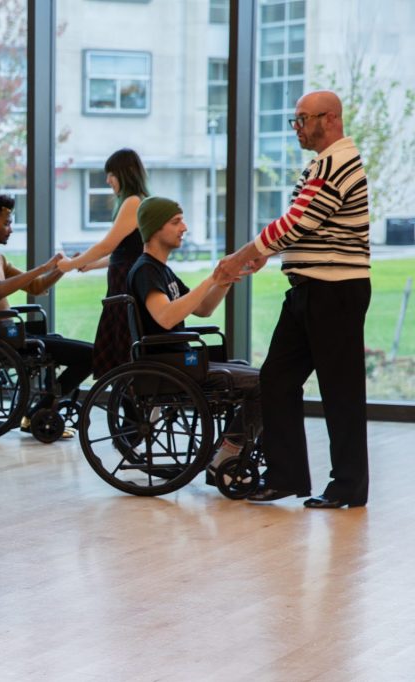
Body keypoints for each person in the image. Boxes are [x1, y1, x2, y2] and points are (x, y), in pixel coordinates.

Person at [217, 90, 370, 509]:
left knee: (340, 391)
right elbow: (303, 229)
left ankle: (348, 487)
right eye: (296, 120)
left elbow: (297, 222)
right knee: (277, 379)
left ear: (330, 118)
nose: (297, 127)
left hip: (334, 290)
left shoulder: (337, 161)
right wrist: (272, 255)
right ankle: (285, 475)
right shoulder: (323, 163)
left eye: (303, 119)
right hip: (310, 287)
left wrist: (243, 255)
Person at [127, 197, 262, 478]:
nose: (184, 227)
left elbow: (202, 308)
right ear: (153, 229)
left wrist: (223, 280)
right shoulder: (145, 270)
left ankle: (229, 452)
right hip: (172, 367)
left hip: (183, 362)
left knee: (264, 376)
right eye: (176, 222)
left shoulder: (162, 271)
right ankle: (227, 455)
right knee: (267, 382)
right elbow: (165, 316)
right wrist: (210, 280)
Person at [0, 192, 93, 431]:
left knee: (82, 352)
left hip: (11, 333)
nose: (10, 229)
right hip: (0, 336)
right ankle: (40, 411)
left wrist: (63, 268)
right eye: (7, 223)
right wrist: (42, 267)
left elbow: (36, 286)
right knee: (89, 355)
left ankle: (40, 410)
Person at [62, 148, 149, 378]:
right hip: (123, 280)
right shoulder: (134, 201)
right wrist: (89, 265)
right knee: (123, 346)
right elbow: (121, 253)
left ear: (125, 173)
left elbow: (107, 245)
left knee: (123, 349)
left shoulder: (132, 202)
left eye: (111, 173)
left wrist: (71, 264)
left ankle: (131, 403)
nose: (108, 180)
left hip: (125, 284)